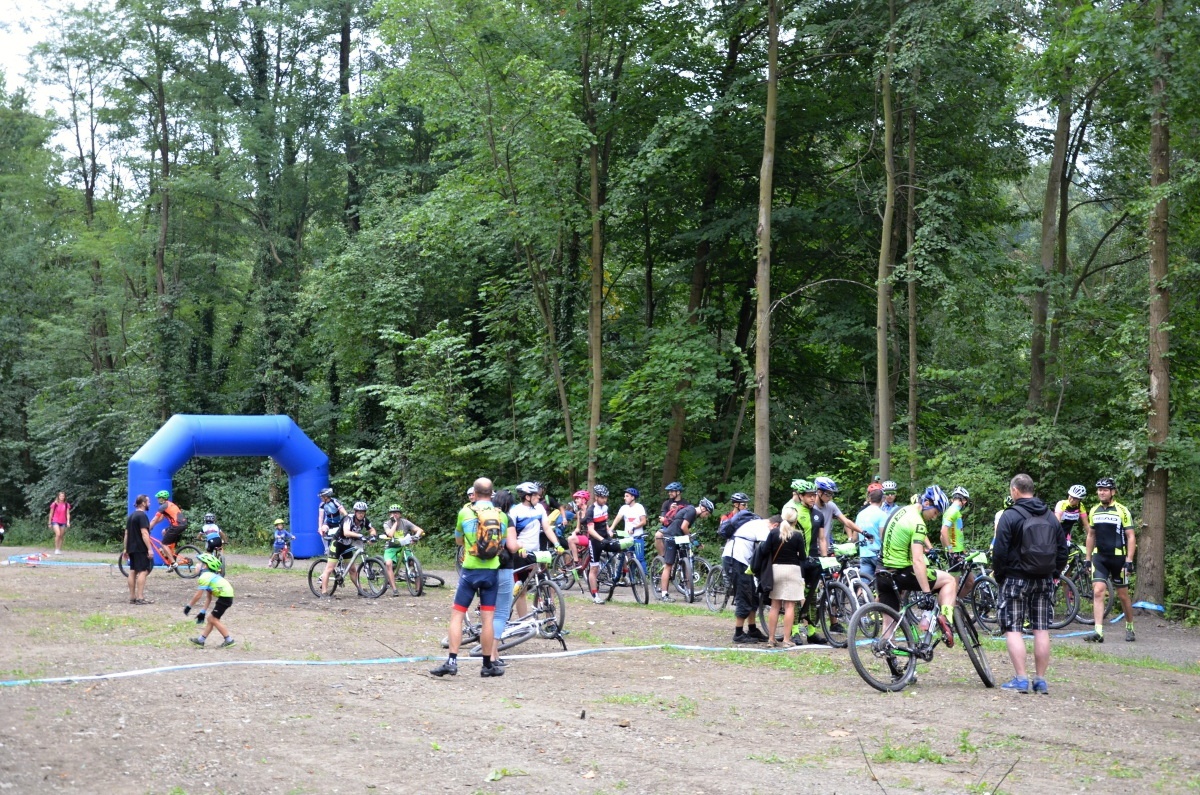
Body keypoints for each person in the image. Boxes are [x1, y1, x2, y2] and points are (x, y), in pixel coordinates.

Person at [431, 477, 515, 678]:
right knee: (488, 619)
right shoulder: (502, 516)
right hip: (491, 573)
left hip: (470, 571)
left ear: (474, 494)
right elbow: (502, 543)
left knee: (457, 616)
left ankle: (452, 662)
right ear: (491, 493)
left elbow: (458, 540)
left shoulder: (465, 512)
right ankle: (487, 665)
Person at [992, 473, 1068, 694]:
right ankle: (1040, 680)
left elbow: (1000, 551)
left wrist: (1000, 575)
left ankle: (1021, 679)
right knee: (1041, 628)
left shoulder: (1010, 515)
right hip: (1044, 579)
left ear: (1015, 490)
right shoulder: (1050, 517)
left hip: (1015, 579)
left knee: (1013, 628)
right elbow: (1062, 550)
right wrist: (1054, 574)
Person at [877, 485, 957, 647]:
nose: (934, 517)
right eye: (935, 512)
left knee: (889, 622)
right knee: (949, 580)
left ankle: (890, 658)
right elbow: (917, 561)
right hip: (902, 572)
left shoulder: (901, 510)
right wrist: (926, 593)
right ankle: (946, 620)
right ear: (927, 503)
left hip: (882, 570)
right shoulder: (918, 523)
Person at [1085, 477, 1137, 643]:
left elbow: (1131, 536)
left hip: (1118, 559)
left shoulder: (1122, 510)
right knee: (1098, 591)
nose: (1101, 492)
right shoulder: (1094, 510)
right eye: (1099, 490)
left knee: (1123, 595)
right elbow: (1091, 535)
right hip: (1100, 557)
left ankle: (1130, 626)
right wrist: (1087, 558)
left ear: (1112, 492)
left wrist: (1129, 560)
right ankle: (1098, 632)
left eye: (1105, 490)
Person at [782, 480, 828, 644]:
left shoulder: (818, 514)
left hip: (813, 559)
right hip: (797, 560)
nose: (812, 498)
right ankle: (794, 631)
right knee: (795, 596)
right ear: (800, 496)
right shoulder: (794, 513)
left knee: (812, 597)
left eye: (814, 495)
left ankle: (811, 631)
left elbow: (822, 539)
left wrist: (825, 558)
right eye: (809, 495)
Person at [723, 504, 775, 644]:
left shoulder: (759, 524)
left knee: (753, 595)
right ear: (775, 525)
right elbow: (766, 550)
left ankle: (752, 629)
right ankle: (738, 633)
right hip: (736, 560)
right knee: (744, 595)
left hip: (741, 561)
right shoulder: (764, 528)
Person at [762, 507, 810, 648]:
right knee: (790, 606)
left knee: (775, 606)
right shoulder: (797, 535)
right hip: (793, 571)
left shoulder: (773, 533)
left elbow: (765, 550)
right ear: (795, 520)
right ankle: (786, 640)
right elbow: (803, 557)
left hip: (776, 570)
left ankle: (771, 639)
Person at [657, 496, 713, 602]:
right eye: (707, 514)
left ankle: (689, 593)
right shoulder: (692, 511)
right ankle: (664, 595)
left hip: (680, 538)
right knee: (668, 565)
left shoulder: (693, 513)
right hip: (671, 536)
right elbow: (684, 527)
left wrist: (694, 541)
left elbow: (684, 529)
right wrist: (692, 539)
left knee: (685, 564)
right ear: (703, 509)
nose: (706, 516)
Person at [317, 501, 374, 596]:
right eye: (359, 512)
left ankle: (360, 590)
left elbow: (372, 529)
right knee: (330, 568)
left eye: (363, 512)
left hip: (347, 545)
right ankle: (324, 592)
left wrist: (373, 536)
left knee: (352, 570)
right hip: (337, 544)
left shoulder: (364, 520)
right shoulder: (348, 519)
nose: (361, 514)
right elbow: (346, 532)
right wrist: (360, 535)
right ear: (355, 512)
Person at [185, 553, 236, 648]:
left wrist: (189, 606)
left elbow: (198, 595)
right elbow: (209, 597)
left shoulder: (205, 577)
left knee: (213, 619)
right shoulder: (210, 576)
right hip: (226, 596)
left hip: (225, 597)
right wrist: (203, 612)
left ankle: (229, 640)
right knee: (211, 619)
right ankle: (201, 640)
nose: (196, 565)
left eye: (199, 563)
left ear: (205, 566)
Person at [582, 485, 617, 603]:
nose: (604, 500)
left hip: (605, 537)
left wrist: (609, 530)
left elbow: (604, 522)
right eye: (602, 498)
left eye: (606, 497)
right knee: (594, 568)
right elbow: (591, 530)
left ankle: (623, 575)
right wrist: (601, 539)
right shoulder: (591, 510)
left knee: (620, 548)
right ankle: (595, 596)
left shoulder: (605, 507)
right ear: (596, 497)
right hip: (595, 541)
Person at [382, 504, 425, 596]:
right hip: (391, 547)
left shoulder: (405, 522)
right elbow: (390, 534)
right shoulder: (387, 524)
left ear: (400, 514)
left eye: (397, 513)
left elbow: (419, 530)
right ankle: (394, 589)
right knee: (389, 564)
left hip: (403, 547)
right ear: (389, 514)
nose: (395, 514)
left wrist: (416, 536)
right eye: (393, 513)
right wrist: (395, 523)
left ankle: (418, 589)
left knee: (413, 563)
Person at [813, 477, 862, 550]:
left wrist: (863, 532)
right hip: (812, 549)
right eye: (828, 494)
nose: (830, 497)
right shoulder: (811, 508)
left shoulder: (831, 506)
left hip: (826, 548)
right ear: (819, 492)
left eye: (832, 494)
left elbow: (846, 521)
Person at [124, 494, 154, 604]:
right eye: (148, 502)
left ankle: (132, 597)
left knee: (133, 571)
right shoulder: (142, 516)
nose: (149, 503)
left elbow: (126, 534)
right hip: (140, 548)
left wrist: (125, 549)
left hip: (131, 548)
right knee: (143, 571)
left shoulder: (131, 516)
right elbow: (144, 533)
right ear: (143, 503)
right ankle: (140, 597)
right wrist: (149, 549)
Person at [852, 485, 886, 579]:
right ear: (882, 499)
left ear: (870, 499)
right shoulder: (882, 515)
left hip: (864, 554)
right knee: (882, 583)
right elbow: (883, 536)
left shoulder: (860, 514)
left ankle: (862, 589)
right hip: (878, 554)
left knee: (865, 583)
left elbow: (855, 537)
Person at [612, 487, 648, 570]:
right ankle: (627, 576)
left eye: (627, 496)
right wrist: (611, 528)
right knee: (626, 558)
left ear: (633, 497)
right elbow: (617, 518)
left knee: (640, 558)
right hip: (627, 538)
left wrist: (634, 528)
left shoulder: (639, 507)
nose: (624, 498)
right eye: (625, 496)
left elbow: (643, 521)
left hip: (638, 537)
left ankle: (644, 576)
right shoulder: (624, 508)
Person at [148, 490, 187, 561]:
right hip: (182, 524)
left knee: (163, 544)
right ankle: (170, 551)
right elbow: (160, 519)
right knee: (164, 531)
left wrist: (148, 528)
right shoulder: (169, 504)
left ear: (162, 498)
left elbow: (154, 519)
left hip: (176, 525)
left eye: (158, 498)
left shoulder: (163, 507)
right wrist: (153, 525)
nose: (157, 499)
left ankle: (173, 563)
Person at [940, 486, 970, 571]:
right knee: (955, 578)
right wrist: (950, 550)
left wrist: (962, 550)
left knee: (969, 577)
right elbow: (943, 531)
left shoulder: (951, 511)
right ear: (964, 501)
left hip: (958, 550)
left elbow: (942, 537)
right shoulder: (953, 511)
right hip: (955, 552)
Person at [318, 488, 347, 553]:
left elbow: (344, 513)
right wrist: (319, 527)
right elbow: (320, 517)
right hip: (328, 522)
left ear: (326, 497)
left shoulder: (335, 502)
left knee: (341, 535)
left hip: (338, 522)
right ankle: (326, 549)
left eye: (322, 496)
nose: (321, 498)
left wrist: (347, 522)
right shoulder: (322, 504)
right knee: (323, 530)